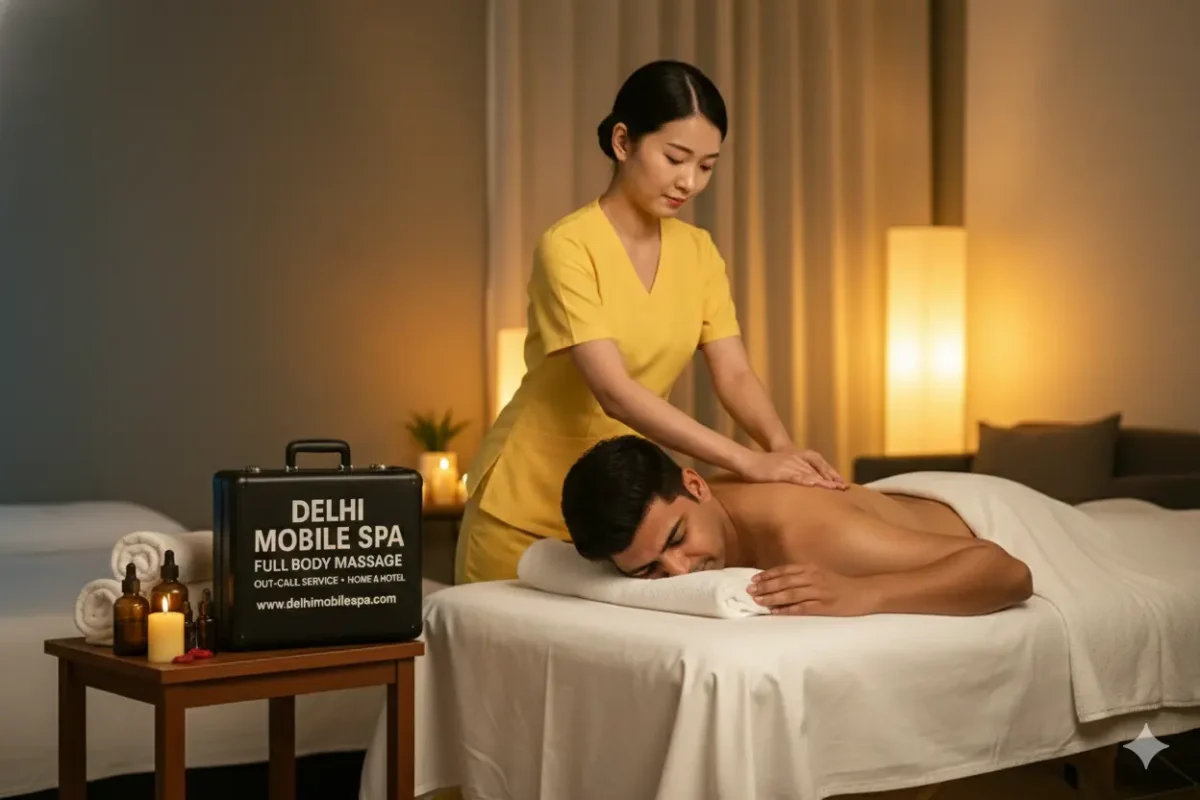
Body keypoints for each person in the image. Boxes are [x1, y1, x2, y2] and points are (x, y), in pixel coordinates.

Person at [455, 59, 846, 586]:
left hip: (629, 528)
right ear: (623, 142)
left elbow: (734, 374)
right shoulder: (568, 247)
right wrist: (746, 461)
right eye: (675, 158)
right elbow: (614, 392)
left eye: (706, 166)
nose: (689, 182)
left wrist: (781, 448)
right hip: (524, 508)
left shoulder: (699, 252)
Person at [560, 435, 1034, 617]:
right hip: (898, 500)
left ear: (696, 485)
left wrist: (863, 593)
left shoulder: (811, 536)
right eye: (648, 570)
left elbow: (1008, 573)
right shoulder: (697, 510)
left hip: (1004, 514)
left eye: (678, 538)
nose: (680, 573)